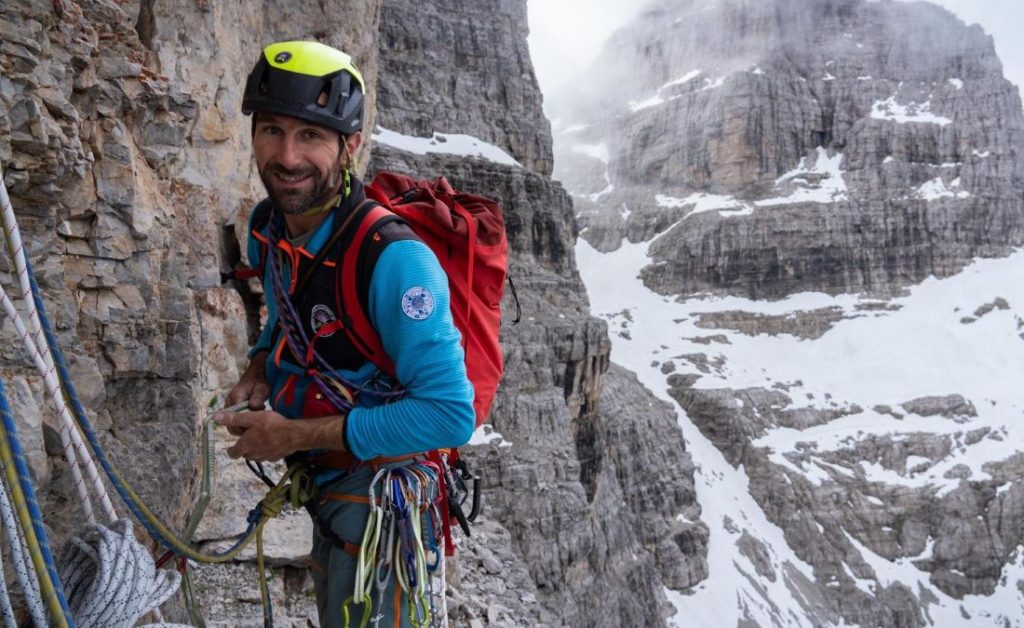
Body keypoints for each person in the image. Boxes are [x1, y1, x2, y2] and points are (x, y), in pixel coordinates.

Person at [213, 40, 475, 627]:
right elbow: (284, 313)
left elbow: (450, 414)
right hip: (327, 482)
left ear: (349, 146)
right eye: (272, 130)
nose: (287, 156)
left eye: (311, 135)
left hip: (383, 494)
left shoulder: (395, 261)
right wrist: (259, 366)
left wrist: (293, 434)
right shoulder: (271, 227)